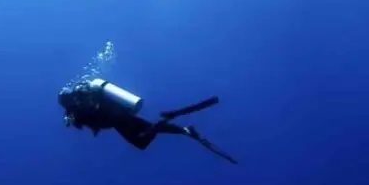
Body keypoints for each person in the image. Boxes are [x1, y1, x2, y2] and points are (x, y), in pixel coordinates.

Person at [58, 78, 237, 163]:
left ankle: (174, 125)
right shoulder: (79, 103)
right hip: (120, 116)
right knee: (145, 137)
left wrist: (75, 120)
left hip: (117, 120)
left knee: (144, 138)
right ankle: (185, 130)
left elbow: (89, 123)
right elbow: (91, 123)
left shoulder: (78, 106)